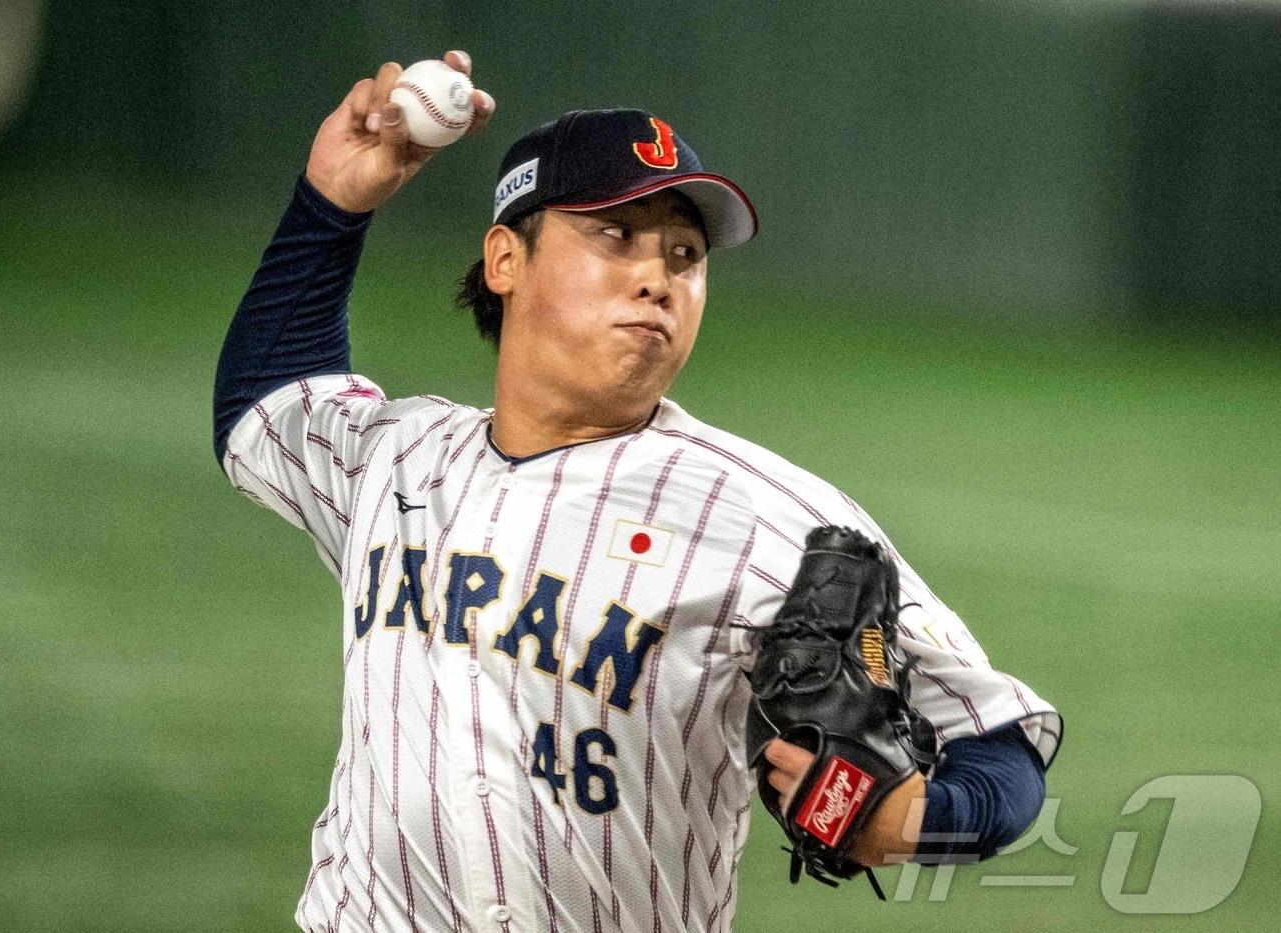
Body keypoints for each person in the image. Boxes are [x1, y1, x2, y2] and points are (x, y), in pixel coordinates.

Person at [213, 51, 1062, 933]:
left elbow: (999, 740)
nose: (658, 276)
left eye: (685, 254)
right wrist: (332, 200)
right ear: (505, 258)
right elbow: (264, 406)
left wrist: (924, 818)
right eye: (615, 235)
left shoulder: (769, 517)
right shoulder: (400, 460)